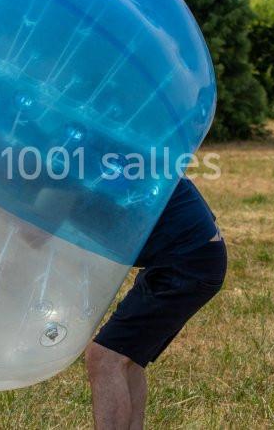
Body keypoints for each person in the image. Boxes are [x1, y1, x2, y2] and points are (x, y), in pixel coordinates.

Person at [85, 177, 227, 429]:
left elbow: (40, 232)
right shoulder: (111, 160)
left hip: (186, 261)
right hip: (190, 255)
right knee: (127, 359)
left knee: (105, 357)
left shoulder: (88, 167)